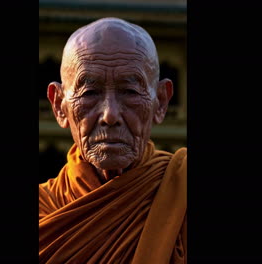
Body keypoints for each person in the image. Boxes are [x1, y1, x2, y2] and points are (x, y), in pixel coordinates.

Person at [39, 17, 187, 264]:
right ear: (59, 105)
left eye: (129, 92)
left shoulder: (181, 192)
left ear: (161, 102)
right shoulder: (45, 212)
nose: (110, 115)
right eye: (90, 93)